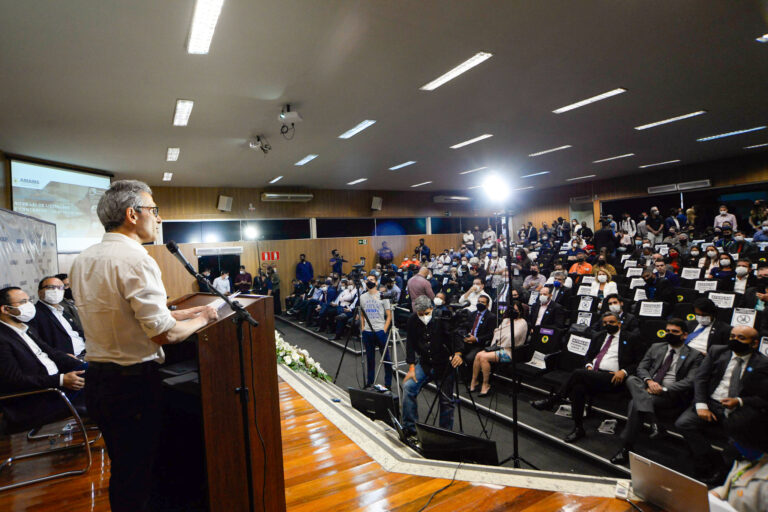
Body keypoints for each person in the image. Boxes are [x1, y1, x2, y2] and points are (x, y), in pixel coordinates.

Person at [70, 180, 218, 512]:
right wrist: (204, 318)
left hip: (99, 381)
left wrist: (179, 312)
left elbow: (119, 314)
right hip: (132, 385)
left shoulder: (84, 259)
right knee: (140, 475)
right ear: (131, 214)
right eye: (154, 210)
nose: (159, 219)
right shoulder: (136, 259)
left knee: (125, 469)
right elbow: (164, 335)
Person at [531, 312, 645, 443]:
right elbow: (588, 356)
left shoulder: (631, 338)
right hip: (594, 375)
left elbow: (639, 362)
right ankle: (578, 428)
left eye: (611, 322)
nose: (608, 325)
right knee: (577, 388)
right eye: (605, 323)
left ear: (619, 323)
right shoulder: (599, 336)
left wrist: (624, 371)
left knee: (578, 373)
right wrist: (589, 365)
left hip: (613, 378)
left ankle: (553, 400)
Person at [674, 326, 768, 481]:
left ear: (754, 343)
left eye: (741, 338)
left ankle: (724, 470)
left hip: (738, 408)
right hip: (710, 401)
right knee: (683, 423)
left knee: (737, 439)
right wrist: (702, 405)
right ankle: (710, 459)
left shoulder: (762, 363)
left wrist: (739, 401)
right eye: (732, 336)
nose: (735, 340)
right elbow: (701, 379)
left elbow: (763, 397)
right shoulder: (718, 351)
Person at [610, 319, 704, 465]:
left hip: (669, 394)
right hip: (648, 387)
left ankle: (626, 448)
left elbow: (690, 381)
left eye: (675, 332)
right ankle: (655, 423)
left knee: (635, 403)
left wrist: (663, 389)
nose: (669, 334)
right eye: (668, 331)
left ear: (685, 335)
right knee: (631, 379)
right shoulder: (656, 347)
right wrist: (649, 382)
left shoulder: (694, 355)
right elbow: (642, 367)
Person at [0, 286, 87, 426]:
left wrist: (83, 364)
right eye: (22, 302)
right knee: (103, 388)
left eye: (28, 300)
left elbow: (52, 353)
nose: (28, 305)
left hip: (58, 384)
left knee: (103, 370)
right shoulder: (3, 339)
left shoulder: (26, 329)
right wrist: (60, 380)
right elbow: (14, 381)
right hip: (41, 397)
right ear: (5, 309)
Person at [402, 296, 463, 434]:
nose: (424, 317)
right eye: (420, 314)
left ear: (432, 309)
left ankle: (444, 434)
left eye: (426, 313)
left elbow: (456, 335)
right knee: (408, 387)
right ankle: (409, 427)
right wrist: (411, 366)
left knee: (446, 401)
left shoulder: (442, 318)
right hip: (425, 364)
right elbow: (410, 343)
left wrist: (458, 353)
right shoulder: (412, 320)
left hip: (444, 365)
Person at [470, 301, 527, 397]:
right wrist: (501, 335)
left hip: (510, 351)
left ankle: (485, 384)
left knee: (483, 357)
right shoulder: (505, 320)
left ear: (520, 311)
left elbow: (512, 337)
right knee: (478, 355)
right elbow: (496, 334)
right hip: (496, 347)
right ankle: (474, 381)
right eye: (512, 310)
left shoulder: (523, 323)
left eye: (516, 310)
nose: (514, 312)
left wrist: (501, 335)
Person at [28, 276, 86, 356]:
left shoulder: (62, 311)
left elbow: (77, 332)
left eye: (60, 288)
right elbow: (40, 345)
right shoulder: (35, 314)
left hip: (86, 352)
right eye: (50, 287)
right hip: (69, 360)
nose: (56, 291)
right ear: (39, 292)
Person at [360, 278, 392, 389]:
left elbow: (389, 315)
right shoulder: (362, 297)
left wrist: (384, 329)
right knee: (370, 358)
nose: (370, 281)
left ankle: (388, 384)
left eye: (372, 279)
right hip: (367, 332)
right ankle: (370, 382)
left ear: (376, 282)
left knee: (386, 358)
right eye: (368, 279)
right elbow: (362, 315)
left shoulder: (383, 296)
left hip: (380, 331)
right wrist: (363, 328)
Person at [461, 295, 497, 366]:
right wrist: (466, 336)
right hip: (468, 341)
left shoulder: (491, 317)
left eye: (482, 302)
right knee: (455, 354)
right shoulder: (473, 314)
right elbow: (466, 327)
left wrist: (476, 339)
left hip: (479, 344)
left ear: (487, 305)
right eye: (479, 301)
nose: (479, 303)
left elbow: (490, 334)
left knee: (468, 359)